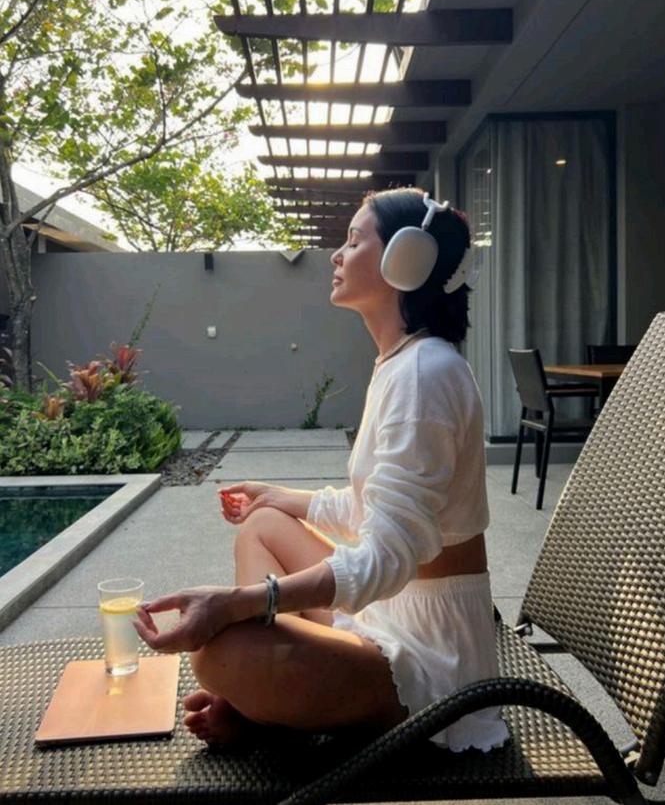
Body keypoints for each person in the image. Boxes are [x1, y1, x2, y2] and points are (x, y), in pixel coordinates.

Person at [133, 187, 509, 752]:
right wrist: (277, 496)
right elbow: (372, 510)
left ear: (404, 260)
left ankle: (271, 705)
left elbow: (385, 558)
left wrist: (238, 603)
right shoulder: (403, 363)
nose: (336, 254)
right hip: (388, 612)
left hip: (432, 655)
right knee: (262, 524)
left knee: (221, 651)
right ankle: (275, 701)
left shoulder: (425, 374)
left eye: (354, 241)